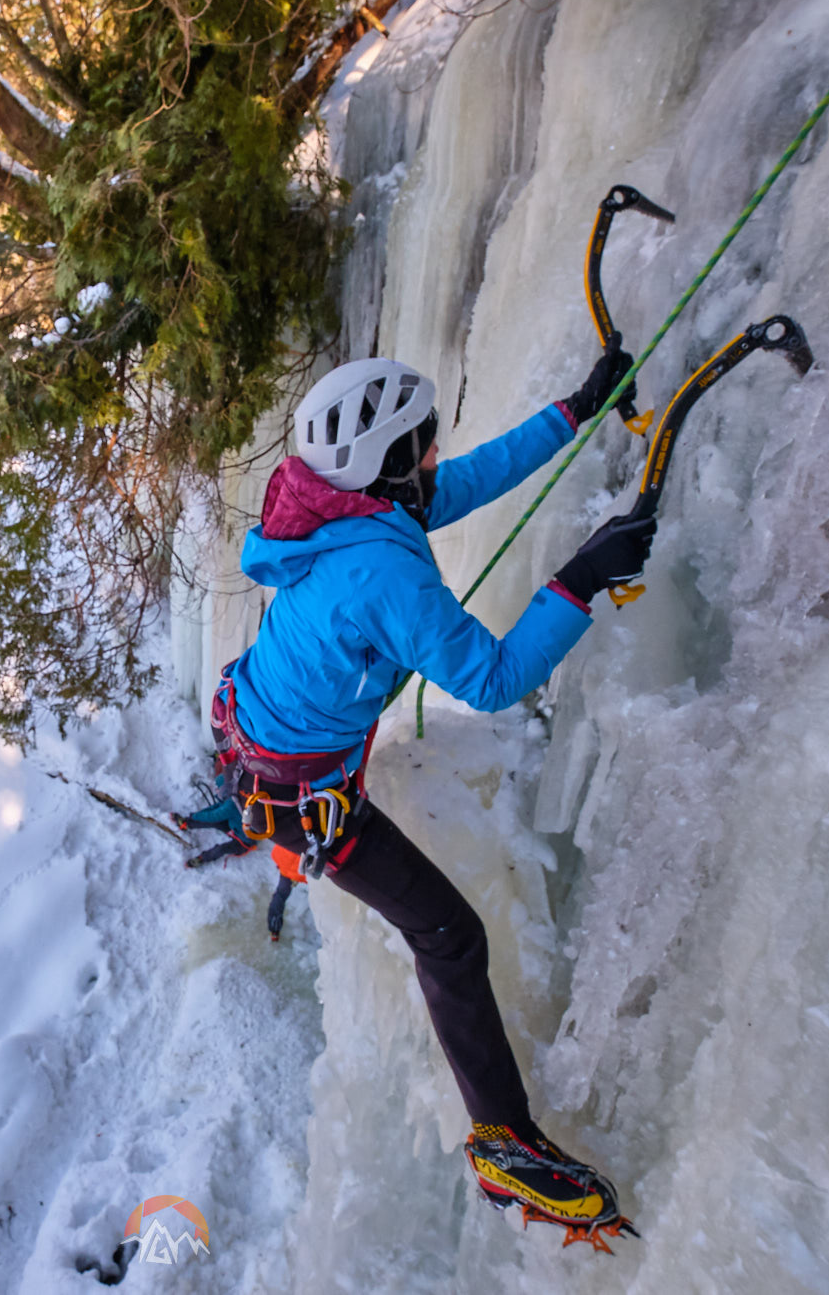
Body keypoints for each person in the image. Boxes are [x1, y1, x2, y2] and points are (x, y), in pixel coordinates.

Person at [208, 350, 653, 1247]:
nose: (436, 453)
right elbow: (490, 679)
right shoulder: (383, 571)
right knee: (451, 936)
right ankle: (505, 1145)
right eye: (423, 443)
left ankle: (261, 831)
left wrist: (574, 410)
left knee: (439, 924)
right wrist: (580, 577)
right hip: (304, 796)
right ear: (390, 462)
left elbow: (471, 481)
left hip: (258, 742)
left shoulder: (342, 511)